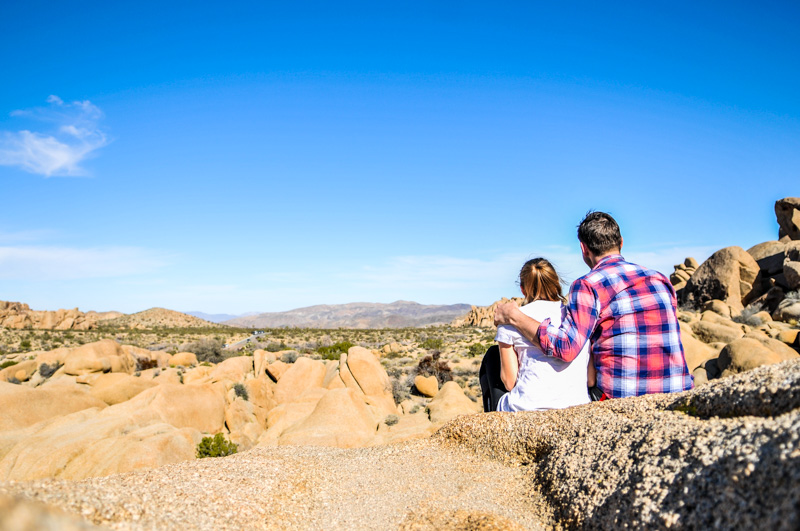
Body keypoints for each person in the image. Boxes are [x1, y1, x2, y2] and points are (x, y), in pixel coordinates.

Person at [494, 211, 693, 399]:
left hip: (622, 397)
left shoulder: (588, 285)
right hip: (677, 393)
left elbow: (566, 348)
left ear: (584, 249)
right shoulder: (659, 279)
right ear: (621, 243)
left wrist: (514, 317)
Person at [480, 258, 593, 412]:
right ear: (556, 283)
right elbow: (590, 379)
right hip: (577, 404)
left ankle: (490, 419)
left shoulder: (509, 321)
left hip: (525, 407)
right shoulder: (577, 319)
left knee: (492, 355)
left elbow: (509, 382)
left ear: (522, 289)